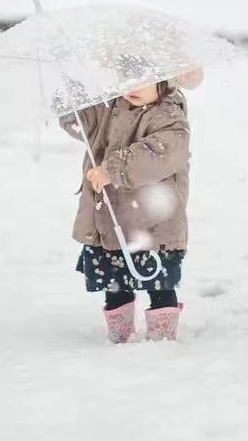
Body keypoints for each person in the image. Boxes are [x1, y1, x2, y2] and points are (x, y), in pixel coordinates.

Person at [64, 67, 202, 343]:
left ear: (163, 80)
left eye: (143, 80)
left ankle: (162, 335)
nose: (132, 87)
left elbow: (161, 152)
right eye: (125, 78)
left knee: (159, 282)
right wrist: (72, 102)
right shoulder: (110, 107)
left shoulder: (169, 114)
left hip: (153, 224)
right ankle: (120, 335)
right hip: (110, 221)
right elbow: (82, 123)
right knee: (116, 284)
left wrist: (112, 169)